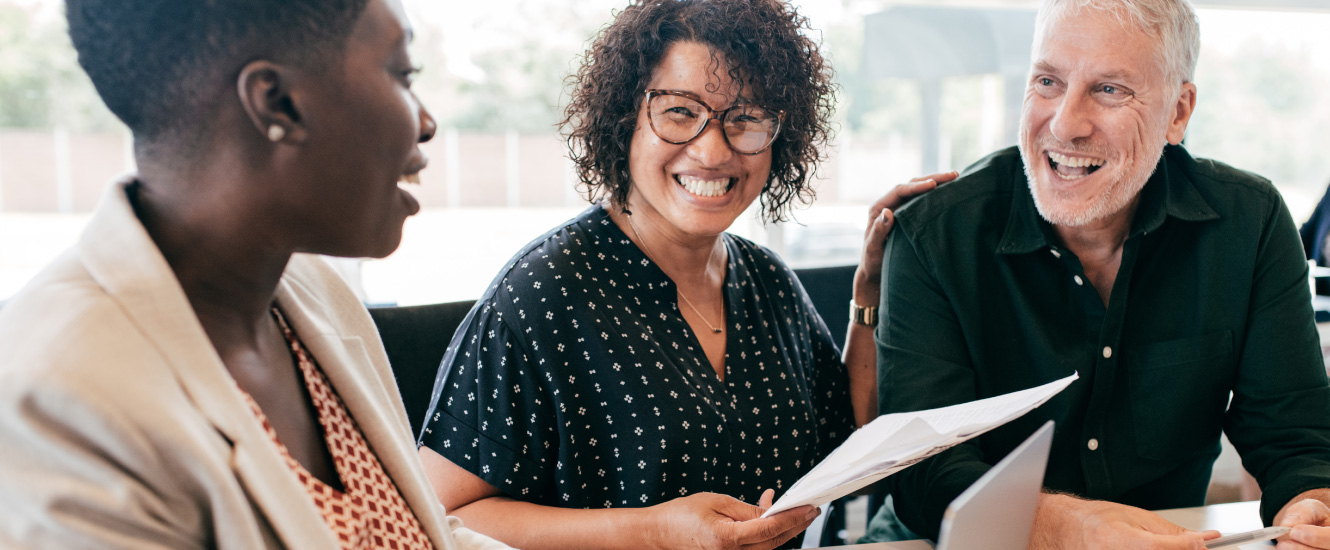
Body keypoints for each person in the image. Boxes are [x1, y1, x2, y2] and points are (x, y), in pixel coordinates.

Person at [414, 1, 948, 549]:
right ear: (625, 118)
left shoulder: (767, 281)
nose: (713, 149)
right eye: (678, 111)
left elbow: (851, 437)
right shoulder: (542, 295)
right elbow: (440, 517)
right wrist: (654, 533)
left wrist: (871, 296)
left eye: (745, 118)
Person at [0, 1, 509, 548]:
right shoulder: (60, 399)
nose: (427, 123)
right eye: (402, 75)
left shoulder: (309, 289)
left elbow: (422, 533)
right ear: (278, 102)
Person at [870, 0, 1330, 548]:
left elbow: (1294, 438)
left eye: (1109, 89)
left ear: (1178, 112)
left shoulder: (1250, 222)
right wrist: (1068, 527)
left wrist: (1311, 507)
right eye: (1047, 81)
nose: (1065, 123)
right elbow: (922, 469)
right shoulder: (933, 235)